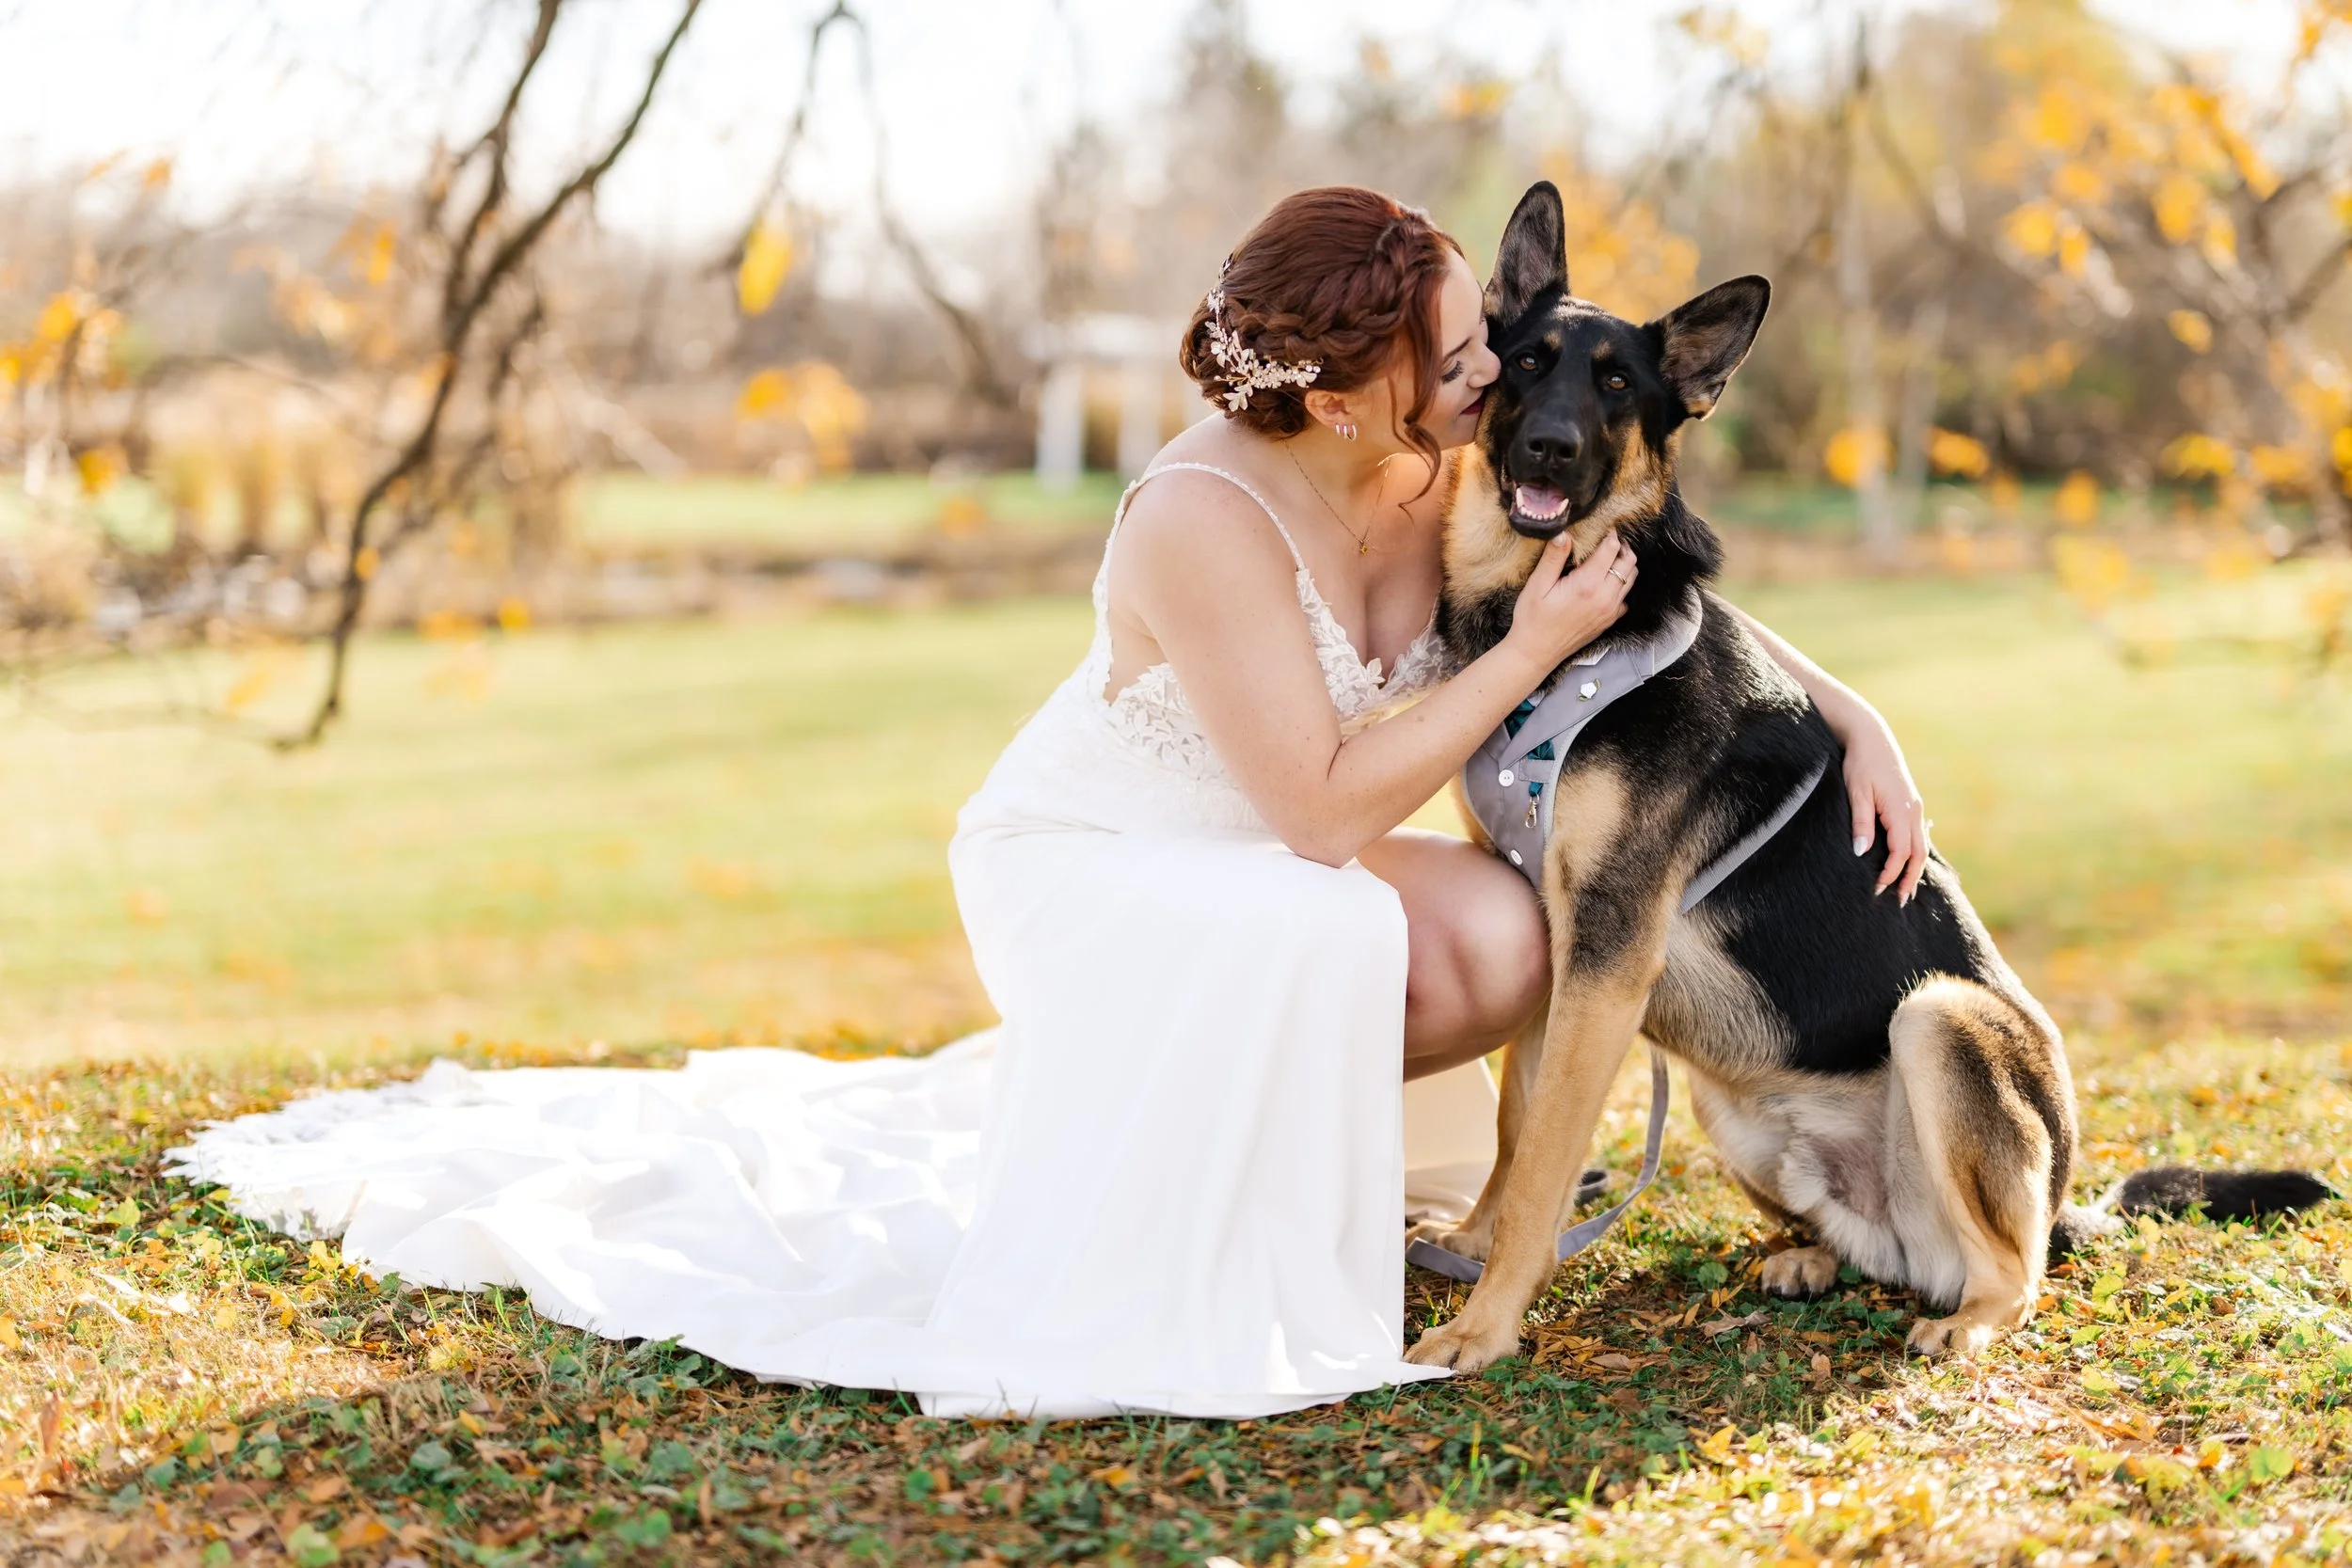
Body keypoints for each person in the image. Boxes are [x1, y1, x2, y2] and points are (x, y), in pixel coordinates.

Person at [171, 187, 1928, 1421]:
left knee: (1496, 923)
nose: (1499, 372)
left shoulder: (1439, 470)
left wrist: (1853, 710)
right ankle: (1238, 1183)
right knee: (1353, 915)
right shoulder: (1203, 513)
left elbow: (1656, 592)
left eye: (1491, 338)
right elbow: (1320, 811)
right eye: (1463, 348)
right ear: (1341, 382)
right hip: (1116, 860)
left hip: (1271, 848)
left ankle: (1300, 1164)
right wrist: (1507, 659)